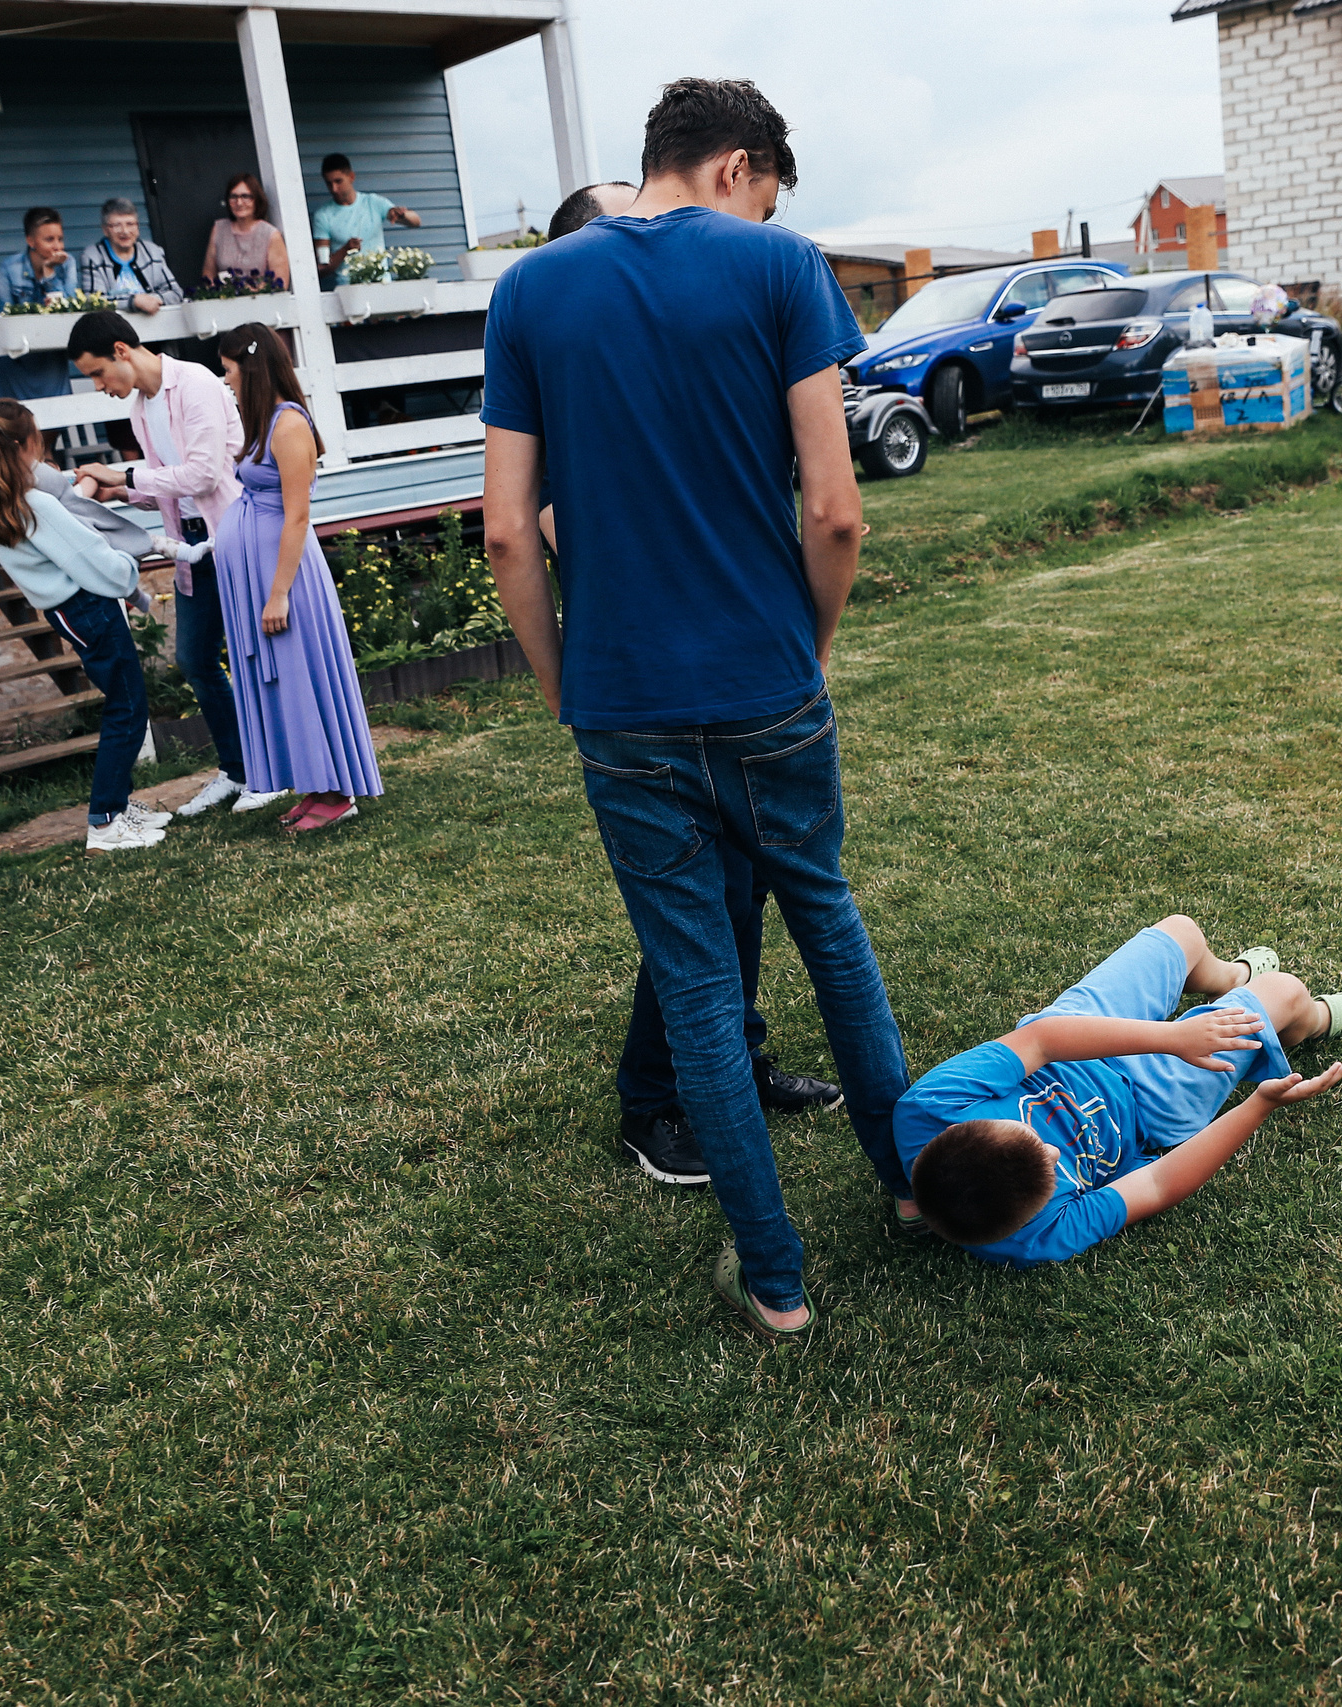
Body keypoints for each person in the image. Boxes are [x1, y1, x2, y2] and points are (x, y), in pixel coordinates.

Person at [481, 78, 906, 1340]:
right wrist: (809, 645)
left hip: (624, 706)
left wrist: (563, 684)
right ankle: (908, 1192)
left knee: (698, 985)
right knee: (827, 927)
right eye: (768, 186)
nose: (769, 207)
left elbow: (508, 530)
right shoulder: (779, 267)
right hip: (767, 678)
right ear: (736, 166)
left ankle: (774, 1283)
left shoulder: (530, 289)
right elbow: (834, 510)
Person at [535, 175, 840, 1188]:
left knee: (739, 890)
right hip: (646, 686)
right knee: (690, 913)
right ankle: (651, 1104)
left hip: (726, 673)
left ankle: (738, 1068)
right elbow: (528, 523)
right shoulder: (566, 357)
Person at [896, 917, 1342, 1266]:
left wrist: (1175, 1037)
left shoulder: (928, 1107)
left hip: (1074, 1038)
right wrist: (1259, 1104)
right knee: (1286, 992)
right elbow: (1157, 1185)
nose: (1051, 1148)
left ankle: (1229, 979)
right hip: (1146, 1105)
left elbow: (1043, 1041)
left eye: (1030, 1139)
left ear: (966, 1127)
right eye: (1052, 1167)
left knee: (1181, 934)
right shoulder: (1038, 1237)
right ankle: (1313, 1023)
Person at [65, 310, 289, 819]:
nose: (99, 386)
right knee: (193, 658)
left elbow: (206, 476)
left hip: (231, 536)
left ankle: (273, 772)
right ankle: (239, 769)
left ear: (122, 350)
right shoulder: (142, 406)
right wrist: (119, 489)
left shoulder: (195, 384)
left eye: (98, 373)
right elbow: (169, 486)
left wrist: (124, 473)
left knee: (254, 657)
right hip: (188, 545)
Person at [0, 398, 168, 855]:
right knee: (128, 707)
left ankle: (118, 804)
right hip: (88, 604)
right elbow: (94, 562)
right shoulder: (34, 504)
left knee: (123, 703)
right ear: (23, 444)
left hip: (67, 611)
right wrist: (128, 575)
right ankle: (106, 820)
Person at [208, 323, 382, 832]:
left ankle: (337, 791)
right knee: (285, 680)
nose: (226, 381)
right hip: (261, 575)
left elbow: (297, 515)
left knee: (303, 675)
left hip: (287, 579)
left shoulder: (288, 426)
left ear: (253, 368)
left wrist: (278, 592)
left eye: (229, 370)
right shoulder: (262, 424)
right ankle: (315, 785)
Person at [0, 207, 74, 399]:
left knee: (55, 415)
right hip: (18, 358)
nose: (57, 246)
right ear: (31, 241)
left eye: (60, 239)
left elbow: (69, 308)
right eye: (49, 239)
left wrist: (50, 274)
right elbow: (5, 313)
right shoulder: (9, 269)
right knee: (20, 419)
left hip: (51, 356)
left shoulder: (67, 264)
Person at [311, 153, 423, 284]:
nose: (334, 189)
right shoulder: (323, 215)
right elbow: (322, 268)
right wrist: (345, 250)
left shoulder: (373, 202)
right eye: (329, 184)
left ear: (351, 177)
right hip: (350, 289)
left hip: (382, 284)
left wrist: (402, 215)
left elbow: (416, 222)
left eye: (338, 181)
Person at [79, 197, 184, 313]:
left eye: (130, 224)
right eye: (117, 225)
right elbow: (94, 302)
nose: (125, 231)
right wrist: (133, 302)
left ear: (138, 227)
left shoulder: (152, 252)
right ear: (105, 230)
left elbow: (175, 292)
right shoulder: (93, 257)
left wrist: (152, 300)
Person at [203, 174, 290, 286]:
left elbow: (280, 283)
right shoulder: (219, 229)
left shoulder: (270, 234)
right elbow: (208, 274)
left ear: (256, 199)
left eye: (245, 196)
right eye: (234, 197)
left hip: (261, 300)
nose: (239, 203)